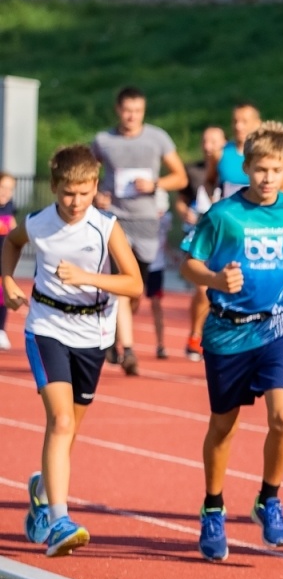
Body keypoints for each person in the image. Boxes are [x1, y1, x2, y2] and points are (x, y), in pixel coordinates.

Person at [180, 122, 283, 562]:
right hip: (227, 331)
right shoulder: (223, 215)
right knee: (224, 426)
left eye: (275, 169)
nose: (267, 178)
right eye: (260, 169)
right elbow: (188, 264)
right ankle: (213, 507)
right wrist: (215, 279)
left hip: (278, 326)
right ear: (246, 168)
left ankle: (269, 498)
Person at [1, 145, 143, 556]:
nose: (75, 201)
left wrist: (87, 278)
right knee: (61, 421)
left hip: (93, 335)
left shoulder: (105, 227)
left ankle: (42, 490)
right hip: (46, 328)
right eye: (67, 193)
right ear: (54, 187)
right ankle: (59, 520)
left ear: (95, 187)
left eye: (83, 193)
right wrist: (7, 281)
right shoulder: (39, 222)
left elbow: (134, 284)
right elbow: (11, 243)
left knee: (70, 430)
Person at [92, 87, 186, 372]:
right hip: (114, 219)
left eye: (138, 111)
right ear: (118, 110)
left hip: (146, 223)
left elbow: (180, 177)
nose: (132, 116)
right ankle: (128, 350)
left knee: (135, 291)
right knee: (120, 285)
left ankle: (114, 334)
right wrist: (96, 195)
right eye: (127, 110)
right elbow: (86, 174)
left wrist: (155, 185)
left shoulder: (157, 138)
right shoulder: (103, 140)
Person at [180, 126, 226, 361]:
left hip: (226, 239)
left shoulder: (234, 173)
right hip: (199, 237)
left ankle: (216, 336)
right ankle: (195, 335)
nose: (209, 146)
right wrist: (185, 213)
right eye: (205, 141)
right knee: (203, 288)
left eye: (214, 142)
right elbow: (181, 201)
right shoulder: (194, 171)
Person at [0, 173, 15, 351]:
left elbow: (12, 227)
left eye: (10, 189)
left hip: (3, 260)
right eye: (2, 187)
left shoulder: (10, 206)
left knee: (3, 295)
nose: (6, 192)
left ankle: (1, 330)